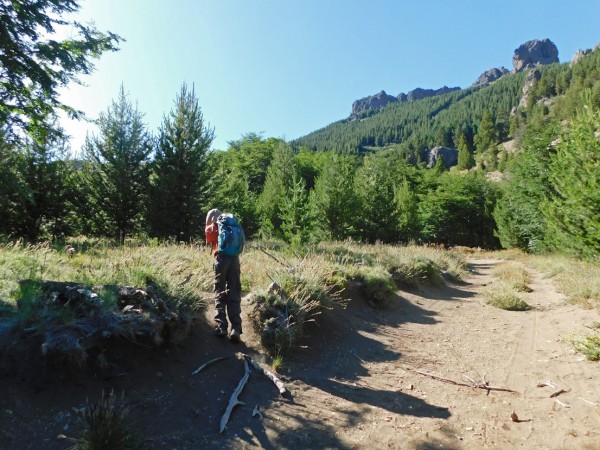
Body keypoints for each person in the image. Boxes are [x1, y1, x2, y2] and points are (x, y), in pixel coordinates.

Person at [205, 208, 243, 342]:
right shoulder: (231, 226)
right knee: (234, 292)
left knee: (219, 291)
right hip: (235, 260)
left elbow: (210, 242)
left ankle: (222, 326)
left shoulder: (213, 227)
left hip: (221, 260)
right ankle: (236, 328)